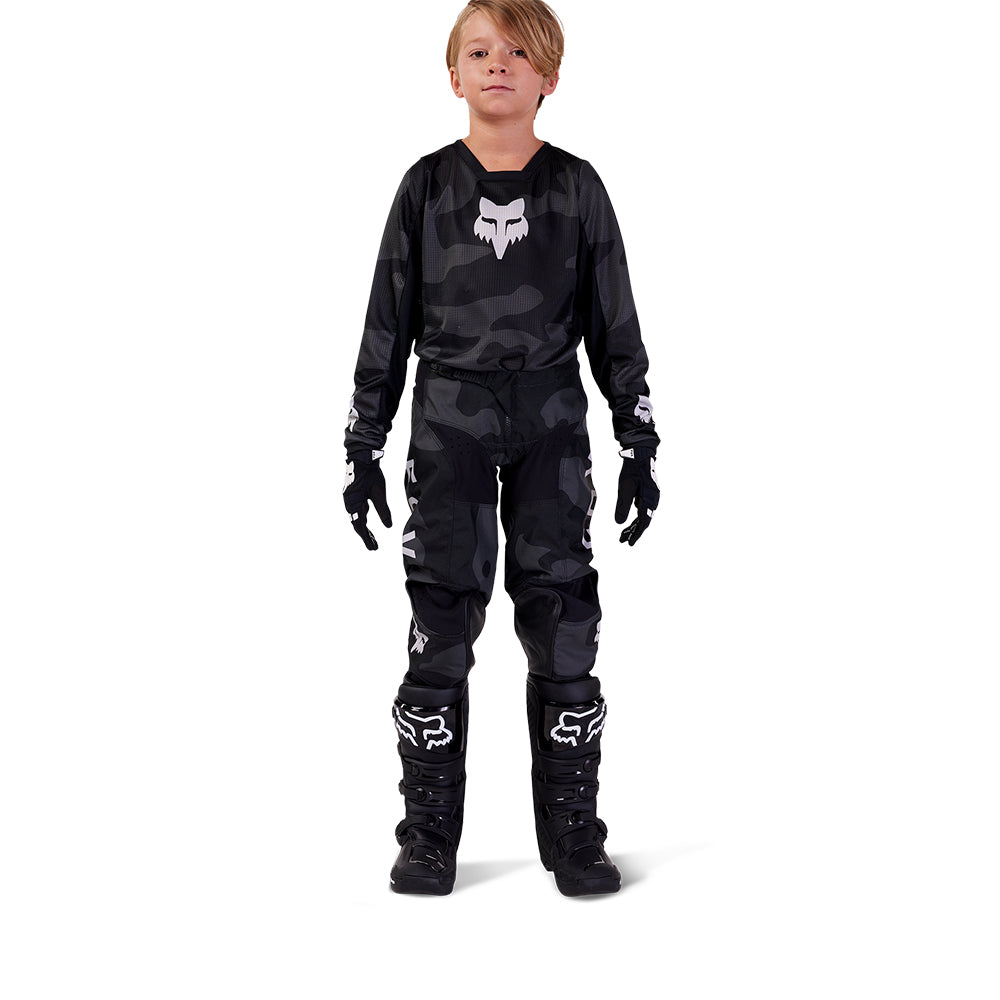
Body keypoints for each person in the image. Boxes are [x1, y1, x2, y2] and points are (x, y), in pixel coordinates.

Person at [343, 0, 659, 896]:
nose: (498, 64)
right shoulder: (425, 188)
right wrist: (363, 443)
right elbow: (386, 323)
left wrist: (638, 440)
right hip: (448, 421)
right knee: (441, 621)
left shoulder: (578, 189)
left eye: (518, 52)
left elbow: (615, 323)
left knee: (564, 620)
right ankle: (428, 832)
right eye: (479, 51)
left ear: (549, 75)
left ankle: (574, 829)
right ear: (453, 74)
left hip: (551, 422)